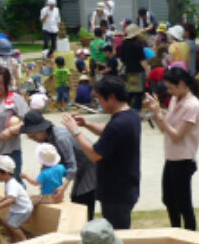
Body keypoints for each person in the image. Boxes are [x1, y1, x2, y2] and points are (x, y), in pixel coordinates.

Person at [60, 76, 141, 230]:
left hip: (116, 192)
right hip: (125, 188)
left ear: (111, 97)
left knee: (117, 236)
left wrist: (75, 131)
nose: (98, 103)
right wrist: (86, 124)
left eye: (99, 99)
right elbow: (108, 132)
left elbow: (94, 154)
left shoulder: (119, 123)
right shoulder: (130, 116)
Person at [145, 67, 199, 231]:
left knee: (184, 204)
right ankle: (175, 230)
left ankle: (190, 236)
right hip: (171, 158)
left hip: (183, 159)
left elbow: (177, 135)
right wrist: (155, 113)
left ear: (182, 84)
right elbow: (164, 128)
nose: (169, 92)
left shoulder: (192, 105)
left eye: (171, 87)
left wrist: (158, 114)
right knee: (169, 200)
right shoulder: (176, 100)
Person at [0, 155, 32, 243]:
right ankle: (13, 240)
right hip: (17, 208)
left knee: (12, 225)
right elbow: (8, 197)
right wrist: (0, 200)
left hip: (23, 209)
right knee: (6, 221)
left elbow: (11, 200)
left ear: (5, 173)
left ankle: (24, 241)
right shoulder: (8, 182)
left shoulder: (12, 184)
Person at [119, 24, 150, 110]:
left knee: (130, 91)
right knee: (138, 93)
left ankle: (125, 108)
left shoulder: (124, 43)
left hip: (128, 70)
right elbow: (142, 60)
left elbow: (122, 58)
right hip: (138, 71)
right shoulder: (137, 45)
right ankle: (136, 110)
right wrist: (147, 71)